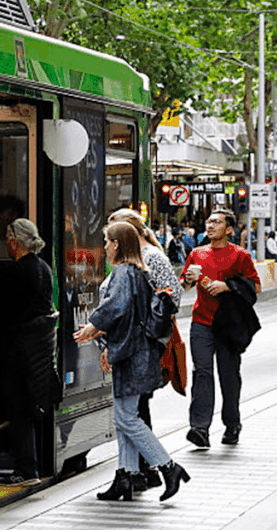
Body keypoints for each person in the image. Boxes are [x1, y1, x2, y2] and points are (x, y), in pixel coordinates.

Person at [73, 222, 190, 502]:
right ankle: (125, 476)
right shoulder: (136, 271)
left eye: (107, 241)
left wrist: (92, 327)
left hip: (132, 356)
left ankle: (169, 467)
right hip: (136, 353)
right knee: (125, 417)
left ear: (117, 244)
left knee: (127, 418)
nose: (105, 247)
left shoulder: (124, 272)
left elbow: (116, 307)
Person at [108, 208, 181, 490]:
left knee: (130, 414)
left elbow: (168, 298)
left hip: (138, 346)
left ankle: (156, 467)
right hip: (136, 343)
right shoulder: (137, 259)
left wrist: (145, 331)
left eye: (112, 234)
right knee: (130, 413)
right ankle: (129, 474)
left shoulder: (146, 259)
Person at [180, 209, 260, 448]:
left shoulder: (240, 255)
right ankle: (200, 428)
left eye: (217, 222)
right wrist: (188, 281)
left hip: (228, 324)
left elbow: (255, 287)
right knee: (202, 373)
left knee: (228, 375)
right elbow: (183, 286)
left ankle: (232, 423)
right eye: (209, 221)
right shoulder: (196, 253)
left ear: (229, 229)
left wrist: (226, 286)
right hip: (201, 322)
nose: (211, 225)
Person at [0, 218, 60, 485]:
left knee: (18, 410)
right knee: (29, 409)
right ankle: (31, 466)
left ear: (13, 241)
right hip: (37, 352)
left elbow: (0, 313)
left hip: (18, 353)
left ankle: (26, 470)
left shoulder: (14, 272)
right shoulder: (43, 268)